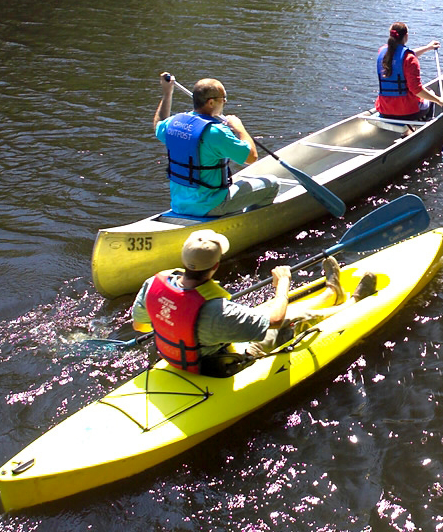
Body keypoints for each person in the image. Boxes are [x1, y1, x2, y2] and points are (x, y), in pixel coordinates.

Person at [131, 231, 373, 376]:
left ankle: (331, 293)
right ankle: (352, 301)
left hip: (178, 356)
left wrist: (172, 319)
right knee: (293, 320)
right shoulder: (216, 311)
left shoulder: (153, 284)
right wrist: (283, 283)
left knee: (266, 309)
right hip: (216, 364)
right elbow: (277, 321)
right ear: (215, 267)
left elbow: (140, 327)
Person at [155, 73, 278, 218]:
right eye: (223, 100)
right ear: (211, 103)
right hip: (212, 206)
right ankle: (247, 221)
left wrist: (167, 93)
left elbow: (159, 123)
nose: (225, 103)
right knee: (272, 183)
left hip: (179, 204)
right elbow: (251, 157)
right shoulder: (216, 132)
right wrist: (240, 128)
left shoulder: (173, 123)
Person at [375, 22, 443, 121]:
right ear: (406, 36)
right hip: (407, 112)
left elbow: (401, 55)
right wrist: (439, 100)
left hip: (384, 109)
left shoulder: (382, 52)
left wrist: (428, 47)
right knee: (431, 93)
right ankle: (426, 124)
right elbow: (416, 90)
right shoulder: (410, 59)